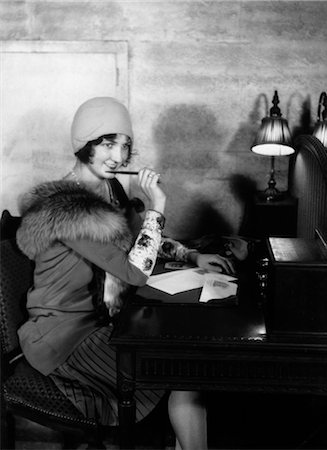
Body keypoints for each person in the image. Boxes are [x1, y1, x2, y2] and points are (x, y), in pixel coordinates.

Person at [16, 97, 235, 450]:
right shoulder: (71, 207)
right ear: (84, 143)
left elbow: (139, 241)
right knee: (183, 372)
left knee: (188, 368)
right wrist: (158, 207)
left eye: (125, 145)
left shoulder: (110, 187)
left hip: (103, 320)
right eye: (107, 144)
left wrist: (192, 255)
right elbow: (135, 272)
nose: (118, 156)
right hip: (64, 337)